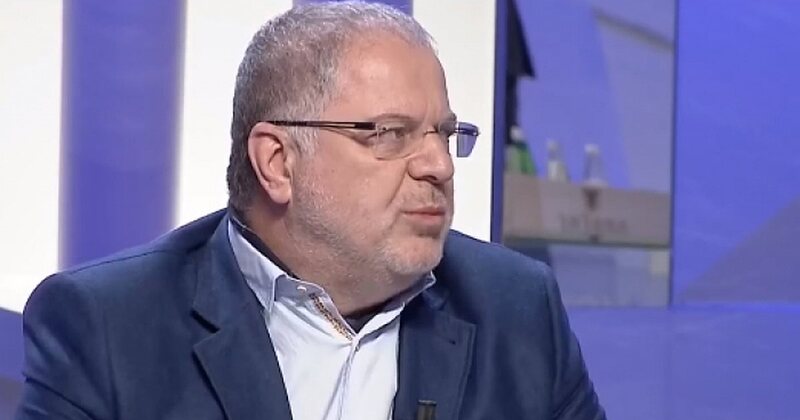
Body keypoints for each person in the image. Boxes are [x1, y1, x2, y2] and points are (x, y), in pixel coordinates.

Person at [16, 2, 605, 419]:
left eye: (445, 134)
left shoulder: (516, 310)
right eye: (389, 134)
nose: (439, 166)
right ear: (277, 162)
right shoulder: (107, 327)